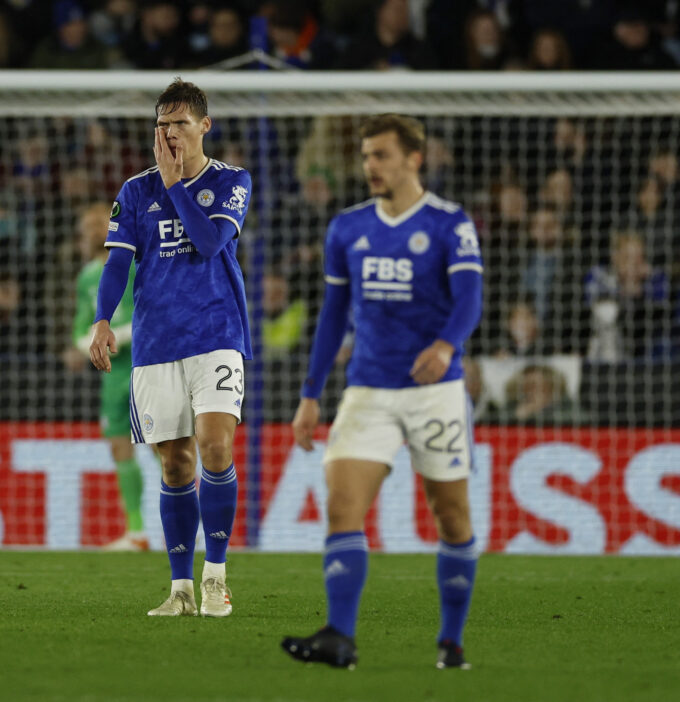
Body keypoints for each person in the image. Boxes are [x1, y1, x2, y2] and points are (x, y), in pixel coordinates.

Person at [284, 114, 483, 669]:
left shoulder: (450, 224)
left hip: (435, 392)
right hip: (368, 388)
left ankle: (451, 641)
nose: (370, 165)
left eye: (381, 156)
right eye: (367, 156)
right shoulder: (346, 228)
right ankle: (339, 638)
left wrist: (446, 345)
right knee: (343, 505)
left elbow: (470, 299)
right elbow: (333, 314)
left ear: (413, 159)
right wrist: (310, 392)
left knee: (452, 518)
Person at [89, 78, 252, 617]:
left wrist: (176, 184)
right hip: (157, 345)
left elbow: (208, 244)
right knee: (175, 466)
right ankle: (180, 589)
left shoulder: (231, 181)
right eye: (162, 124)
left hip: (217, 335)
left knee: (214, 446)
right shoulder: (135, 191)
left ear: (205, 125)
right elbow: (117, 263)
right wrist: (102, 320)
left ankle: (216, 579)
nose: (169, 132)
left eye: (180, 123)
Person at [72, 201, 148, 551]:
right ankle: (137, 533)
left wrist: (117, 334)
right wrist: (92, 340)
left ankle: (189, 527)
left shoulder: (134, 262)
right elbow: (79, 330)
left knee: (167, 448)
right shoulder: (87, 276)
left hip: (145, 365)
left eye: (97, 223)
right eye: (86, 226)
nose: (91, 231)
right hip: (112, 374)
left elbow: (149, 311)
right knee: (119, 447)